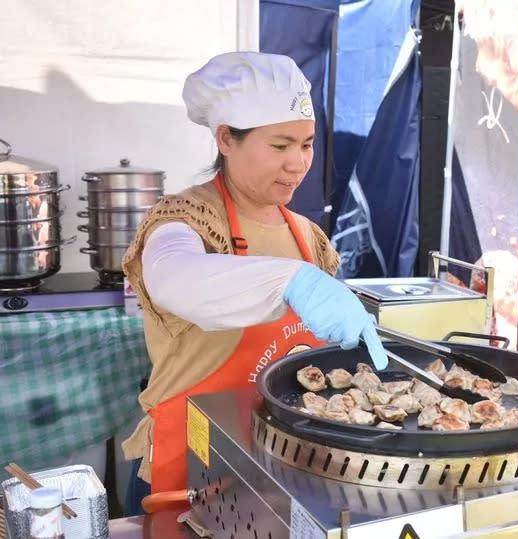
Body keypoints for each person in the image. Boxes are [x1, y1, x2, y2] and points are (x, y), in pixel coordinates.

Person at [120, 52, 388, 515]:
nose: (298, 164)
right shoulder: (184, 220)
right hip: (189, 466)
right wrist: (290, 282)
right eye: (280, 145)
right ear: (226, 139)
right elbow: (175, 279)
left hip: (281, 471)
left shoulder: (310, 239)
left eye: (306, 144)